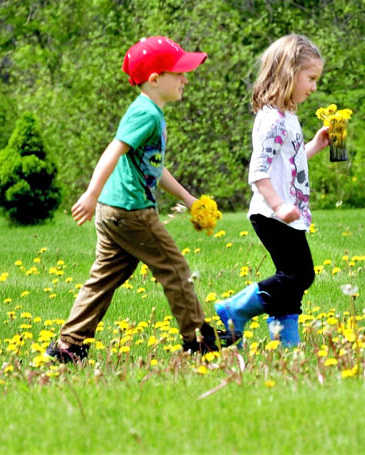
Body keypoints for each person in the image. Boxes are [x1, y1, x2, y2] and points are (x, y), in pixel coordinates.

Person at [45, 36, 233, 363]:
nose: (186, 79)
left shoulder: (149, 111)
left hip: (114, 210)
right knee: (175, 268)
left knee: (104, 277)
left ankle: (69, 346)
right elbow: (113, 149)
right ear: (156, 79)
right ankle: (198, 338)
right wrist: (89, 194)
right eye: (179, 73)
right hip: (131, 211)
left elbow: (154, 168)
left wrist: (190, 200)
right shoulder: (146, 114)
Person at [215, 34, 330, 347]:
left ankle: (287, 346)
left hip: (285, 213)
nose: (314, 87)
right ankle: (234, 309)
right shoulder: (272, 120)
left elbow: (288, 162)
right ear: (289, 72)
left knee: (291, 279)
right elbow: (259, 172)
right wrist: (279, 206)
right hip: (271, 212)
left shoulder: (288, 117)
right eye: (311, 78)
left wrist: (315, 146)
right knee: (300, 276)